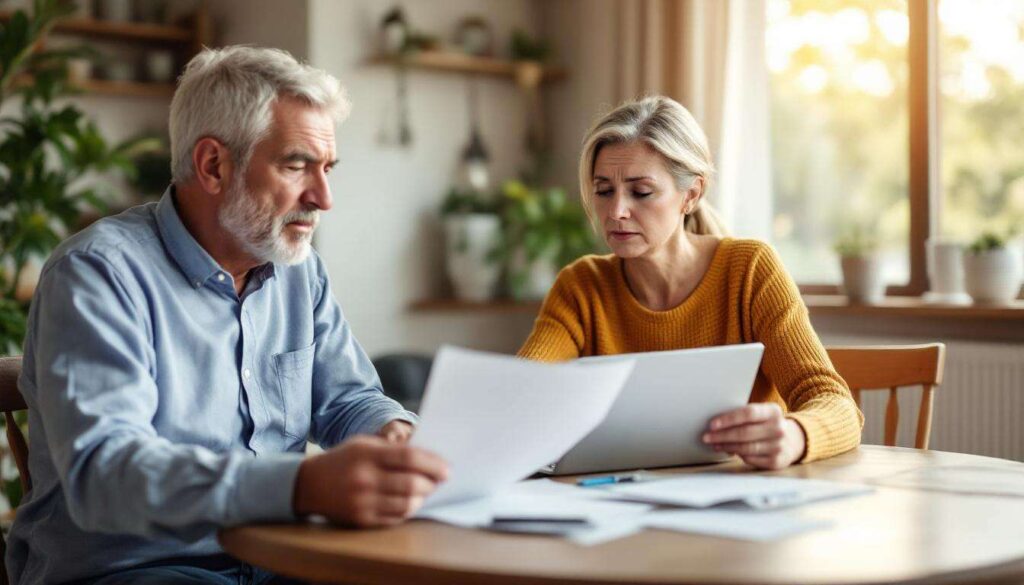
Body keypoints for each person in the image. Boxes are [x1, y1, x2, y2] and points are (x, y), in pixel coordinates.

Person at [6, 46, 448, 585]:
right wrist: (301, 486)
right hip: (134, 569)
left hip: (280, 560)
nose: (323, 197)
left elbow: (347, 400)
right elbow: (106, 474)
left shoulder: (298, 270)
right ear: (213, 165)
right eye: (296, 165)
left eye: (327, 168)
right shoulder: (97, 274)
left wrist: (393, 433)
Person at [518, 96, 862, 470]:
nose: (616, 211)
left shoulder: (750, 271)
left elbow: (835, 403)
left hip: (742, 493)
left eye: (641, 192)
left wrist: (795, 435)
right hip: (617, 495)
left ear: (691, 195)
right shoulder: (581, 286)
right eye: (604, 191)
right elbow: (519, 393)